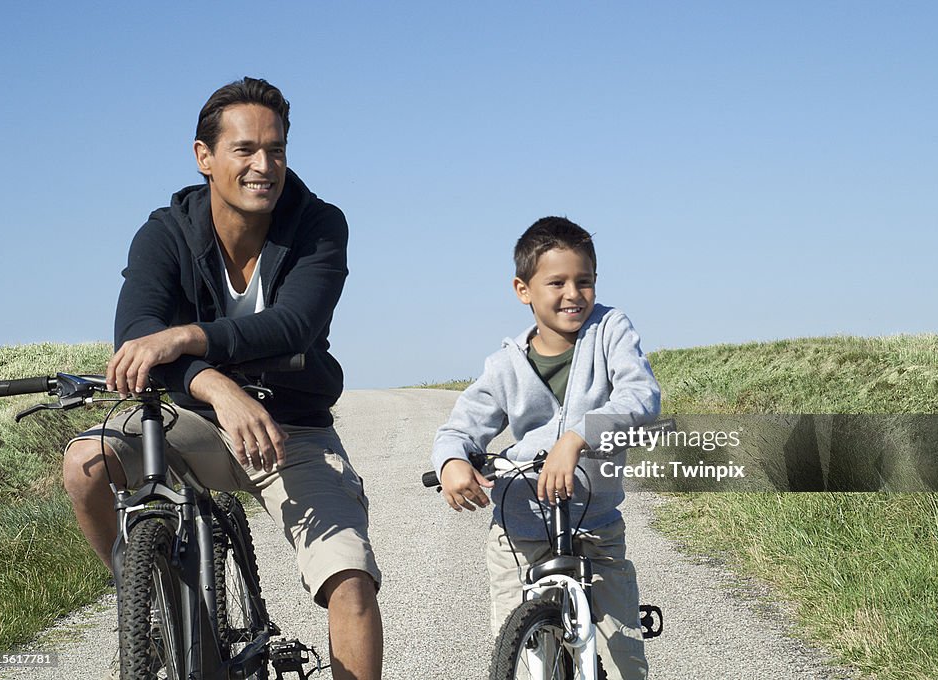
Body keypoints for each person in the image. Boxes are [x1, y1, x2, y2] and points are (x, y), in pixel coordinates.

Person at [63, 77, 383, 680]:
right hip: (190, 421)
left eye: (277, 149)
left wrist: (189, 337)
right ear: (204, 157)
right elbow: (136, 335)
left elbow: (294, 325)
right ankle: (144, 599)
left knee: (351, 581)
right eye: (245, 150)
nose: (265, 166)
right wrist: (214, 385)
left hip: (291, 429)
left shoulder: (319, 226)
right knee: (85, 464)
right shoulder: (165, 232)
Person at [431, 216, 661, 679]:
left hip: (593, 523)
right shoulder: (504, 366)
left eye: (584, 281)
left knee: (623, 663)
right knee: (521, 656)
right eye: (556, 282)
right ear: (523, 289)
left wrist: (576, 438)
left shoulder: (610, 331)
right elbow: (459, 428)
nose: (572, 294)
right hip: (520, 530)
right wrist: (452, 462)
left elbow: (640, 396)